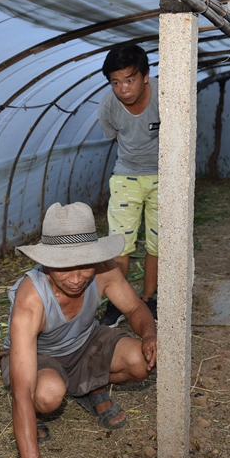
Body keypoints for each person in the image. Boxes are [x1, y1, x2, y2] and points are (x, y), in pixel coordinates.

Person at [0, 202, 157, 458]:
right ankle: (77, 390)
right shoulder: (31, 299)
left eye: (84, 266)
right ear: (45, 262)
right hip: (40, 358)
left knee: (141, 363)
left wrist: (149, 333)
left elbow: (135, 308)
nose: (75, 278)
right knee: (47, 393)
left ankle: (87, 386)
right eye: (63, 268)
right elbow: (23, 390)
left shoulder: (104, 271)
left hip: (84, 343)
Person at [97, 43, 160, 327]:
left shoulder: (165, 95)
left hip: (165, 176)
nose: (123, 89)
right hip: (126, 176)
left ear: (145, 76)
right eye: (115, 82)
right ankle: (118, 304)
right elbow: (114, 138)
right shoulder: (108, 106)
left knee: (159, 244)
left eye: (130, 79)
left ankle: (149, 300)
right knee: (119, 246)